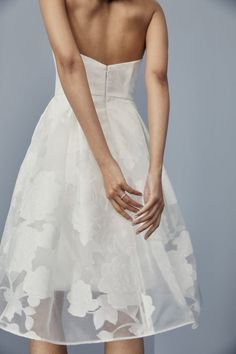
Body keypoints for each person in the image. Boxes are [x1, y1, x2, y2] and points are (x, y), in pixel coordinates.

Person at [0, 0, 201, 353]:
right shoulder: (149, 10)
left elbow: (69, 63)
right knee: (122, 302)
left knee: (48, 304)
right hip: (130, 149)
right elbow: (158, 79)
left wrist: (105, 164)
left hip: (65, 144)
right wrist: (153, 172)